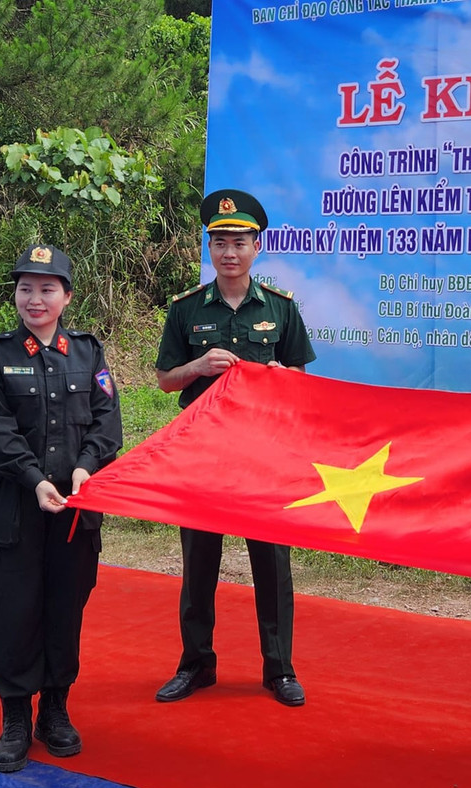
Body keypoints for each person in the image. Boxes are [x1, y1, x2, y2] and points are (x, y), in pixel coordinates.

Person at [153, 188, 317, 707]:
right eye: (219, 242)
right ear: (210, 248)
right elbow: (164, 380)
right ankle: (195, 664)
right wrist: (197, 368)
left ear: (256, 247)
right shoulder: (185, 311)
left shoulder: (281, 309)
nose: (229, 252)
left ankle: (280, 668)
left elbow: (301, 379)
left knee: (271, 563)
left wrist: (279, 376)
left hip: (263, 454)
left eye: (239, 242)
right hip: (202, 453)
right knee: (199, 561)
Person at [0, 243, 123, 773]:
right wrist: (36, 480)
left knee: (64, 607)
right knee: (11, 610)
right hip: (15, 506)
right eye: (25, 288)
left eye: (47, 288)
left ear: (66, 296)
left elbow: (107, 424)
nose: (34, 299)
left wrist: (85, 468)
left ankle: (54, 710)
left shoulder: (87, 353)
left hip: (75, 510)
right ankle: (15, 715)